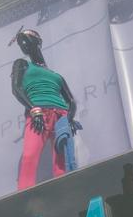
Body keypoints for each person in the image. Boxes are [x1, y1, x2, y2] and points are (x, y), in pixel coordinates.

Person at [9, 28, 81, 190]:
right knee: (30, 156)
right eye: (21, 43)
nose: (23, 44)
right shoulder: (22, 64)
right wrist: (34, 109)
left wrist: (69, 119)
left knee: (61, 160)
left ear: (38, 42)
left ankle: (66, 191)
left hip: (61, 115)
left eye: (26, 40)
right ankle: (24, 194)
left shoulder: (56, 75)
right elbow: (16, 89)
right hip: (38, 113)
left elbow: (71, 101)